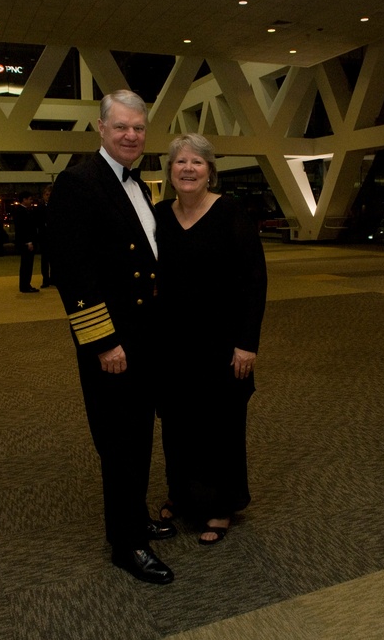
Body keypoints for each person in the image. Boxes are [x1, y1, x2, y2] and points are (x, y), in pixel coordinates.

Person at [45, 90, 175, 585]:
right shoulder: (78, 183)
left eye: (138, 128)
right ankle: (127, 544)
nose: (131, 136)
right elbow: (74, 274)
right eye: (121, 127)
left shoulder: (138, 185)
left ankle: (134, 517)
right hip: (114, 345)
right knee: (121, 442)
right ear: (100, 128)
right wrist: (103, 342)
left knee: (139, 435)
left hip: (145, 339)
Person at [155, 133, 267, 546]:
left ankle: (220, 505)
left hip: (222, 345)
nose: (187, 169)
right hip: (172, 345)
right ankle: (182, 497)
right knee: (179, 426)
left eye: (197, 162)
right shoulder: (158, 217)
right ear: (170, 171)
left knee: (219, 427)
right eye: (180, 162)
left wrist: (247, 343)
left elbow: (256, 282)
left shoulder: (231, 213)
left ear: (210, 171)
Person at [14, 191, 39, 293]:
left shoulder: (23, 210)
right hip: (26, 242)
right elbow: (23, 229)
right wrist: (28, 242)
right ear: (24, 199)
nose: (31, 201)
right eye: (29, 199)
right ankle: (25, 286)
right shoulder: (21, 211)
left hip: (26, 241)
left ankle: (26, 284)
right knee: (26, 265)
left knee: (27, 264)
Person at [38, 184, 52, 288]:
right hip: (44, 237)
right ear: (43, 195)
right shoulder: (40, 207)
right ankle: (45, 279)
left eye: (50, 195)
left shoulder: (56, 207)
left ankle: (54, 278)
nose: (48, 196)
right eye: (47, 195)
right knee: (45, 260)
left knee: (55, 260)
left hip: (53, 237)